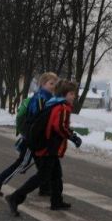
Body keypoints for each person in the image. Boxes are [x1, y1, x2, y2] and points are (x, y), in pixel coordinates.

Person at [5, 80, 82, 214]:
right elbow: (59, 127)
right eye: (71, 94)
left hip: (46, 145)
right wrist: (72, 137)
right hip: (48, 147)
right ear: (64, 94)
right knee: (43, 176)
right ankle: (15, 197)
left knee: (56, 174)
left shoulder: (53, 104)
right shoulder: (62, 107)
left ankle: (56, 201)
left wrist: (69, 134)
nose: (73, 96)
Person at [0, 72, 58, 196]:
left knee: (44, 164)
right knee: (23, 163)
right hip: (32, 138)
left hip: (37, 138)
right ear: (43, 84)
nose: (54, 86)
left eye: (55, 84)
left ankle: (45, 188)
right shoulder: (41, 98)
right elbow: (38, 119)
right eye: (51, 83)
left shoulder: (47, 98)